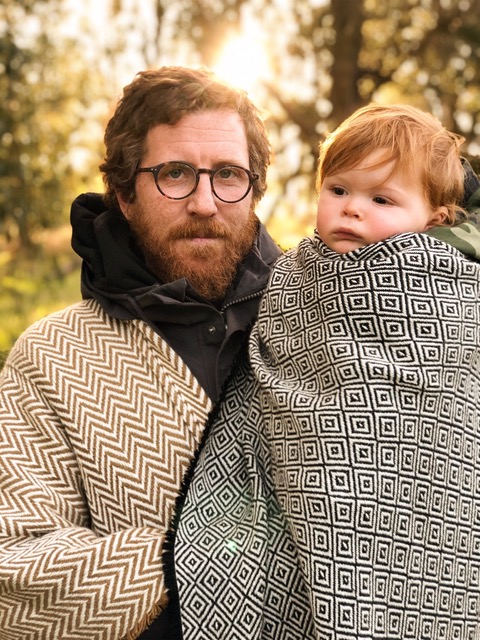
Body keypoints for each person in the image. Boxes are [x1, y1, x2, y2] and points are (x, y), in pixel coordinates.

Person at [173, 105, 480, 639]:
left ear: (434, 219)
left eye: (382, 200)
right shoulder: (295, 272)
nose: (352, 209)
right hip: (309, 472)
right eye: (338, 189)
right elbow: (276, 359)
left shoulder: (446, 284)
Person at [0, 66, 282, 640]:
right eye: (175, 173)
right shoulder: (53, 357)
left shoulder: (317, 320)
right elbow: (14, 567)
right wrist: (220, 563)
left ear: (254, 189)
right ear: (125, 194)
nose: (205, 203)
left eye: (229, 174)